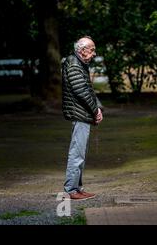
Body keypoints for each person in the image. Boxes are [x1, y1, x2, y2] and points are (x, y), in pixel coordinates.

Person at [62, 36, 103, 200]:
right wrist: (95, 111)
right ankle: (71, 190)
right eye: (92, 49)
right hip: (80, 113)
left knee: (80, 152)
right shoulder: (73, 64)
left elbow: (88, 90)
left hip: (83, 113)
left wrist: (97, 108)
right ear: (82, 50)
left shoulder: (79, 63)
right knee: (77, 153)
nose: (94, 53)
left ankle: (77, 188)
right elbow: (81, 91)